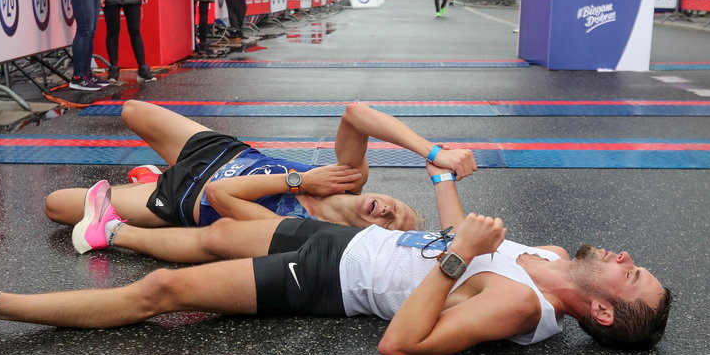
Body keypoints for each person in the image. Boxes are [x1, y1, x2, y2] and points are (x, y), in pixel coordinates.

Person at [0, 165, 671, 355]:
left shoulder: (521, 310)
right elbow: (457, 244)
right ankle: (118, 227)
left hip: (329, 282)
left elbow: (402, 343)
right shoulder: (540, 256)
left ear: (602, 311)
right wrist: (437, 190)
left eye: (631, 275)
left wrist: (460, 253)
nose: (628, 257)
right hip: (342, 242)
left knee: (165, 292)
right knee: (217, 221)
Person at [44, 101, 477, 251]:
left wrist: (301, 182)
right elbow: (356, 114)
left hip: (183, 198)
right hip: (220, 150)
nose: (385, 211)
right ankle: (149, 175)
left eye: (388, 223)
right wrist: (433, 152)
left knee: (58, 206)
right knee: (132, 110)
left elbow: (222, 194)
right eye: (395, 208)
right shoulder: (351, 177)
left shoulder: (304, 232)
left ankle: (151, 182)